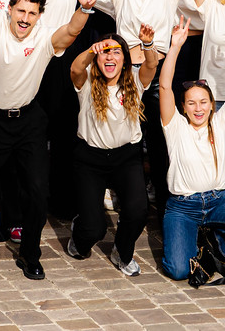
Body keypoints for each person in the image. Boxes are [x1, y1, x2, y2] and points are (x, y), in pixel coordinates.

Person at [0, 0, 95, 277]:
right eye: (20, 11)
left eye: (31, 13)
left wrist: (83, 9)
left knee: (37, 191)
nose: (24, 18)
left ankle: (30, 254)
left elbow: (70, 31)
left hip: (28, 121)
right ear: (10, 10)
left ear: (40, 15)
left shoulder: (43, 37)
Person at [156, 18, 225, 287]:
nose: (198, 108)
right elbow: (165, 86)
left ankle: (217, 250)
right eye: (191, 103)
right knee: (179, 271)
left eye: (203, 102)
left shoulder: (222, 123)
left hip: (217, 201)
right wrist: (175, 46)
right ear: (184, 107)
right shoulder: (175, 125)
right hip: (183, 207)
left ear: (212, 105)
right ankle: (194, 240)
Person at [66, 34, 158, 276]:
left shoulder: (135, 82)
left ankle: (122, 252)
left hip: (126, 157)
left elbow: (151, 64)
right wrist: (89, 49)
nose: (110, 56)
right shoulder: (86, 83)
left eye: (116, 51)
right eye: (104, 51)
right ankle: (80, 234)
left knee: (138, 210)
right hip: (90, 158)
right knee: (93, 229)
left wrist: (148, 45)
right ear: (97, 58)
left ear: (125, 60)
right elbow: (76, 67)